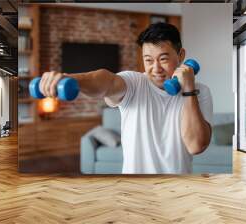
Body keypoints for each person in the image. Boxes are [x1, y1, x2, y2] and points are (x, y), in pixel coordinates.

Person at [39, 22, 213, 174]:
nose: (156, 68)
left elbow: (196, 145)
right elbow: (105, 81)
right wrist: (70, 79)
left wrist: (188, 90)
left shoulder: (200, 91)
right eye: (149, 60)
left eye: (163, 59)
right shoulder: (134, 82)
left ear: (181, 56)